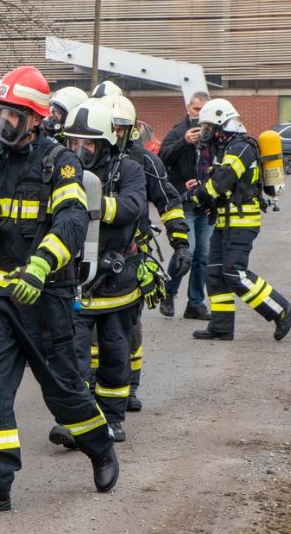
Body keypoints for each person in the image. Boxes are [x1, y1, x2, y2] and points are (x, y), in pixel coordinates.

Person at [0, 66, 118, 515]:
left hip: (46, 298)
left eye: (11, 116)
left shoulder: (60, 162)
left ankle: (101, 447)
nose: (1, 123)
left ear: (35, 120)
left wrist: (39, 267)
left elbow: (70, 222)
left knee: (65, 393)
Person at [47, 99, 148, 447]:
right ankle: (79, 420)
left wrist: (94, 203)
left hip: (115, 278)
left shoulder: (128, 170)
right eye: (73, 142)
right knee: (72, 354)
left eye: (86, 143)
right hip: (73, 277)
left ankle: (113, 418)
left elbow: (134, 206)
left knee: (115, 351)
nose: (78, 149)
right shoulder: (61, 169)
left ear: (105, 143)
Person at [110, 94, 191, 412]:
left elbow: (168, 202)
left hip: (134, 254)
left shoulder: (144, 162)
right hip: (89, 254)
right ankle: (91, 388)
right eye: (112, 127)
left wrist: (181, 242)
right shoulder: (86, 156)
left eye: (121, 128)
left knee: (129, 325)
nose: (116, 134)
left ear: (131, 129)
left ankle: (129, 386)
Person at [185, 98, 291, 342]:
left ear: (223, 125)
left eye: (209, 128)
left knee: (234, 272)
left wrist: (194, 196)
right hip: (226, 221)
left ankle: (281, 309)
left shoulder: (241, 147)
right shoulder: (227, 148)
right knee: (215, 273)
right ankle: (221, 327)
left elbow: (220, 183)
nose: (205, 133)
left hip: (242, 222)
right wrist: (201, 188)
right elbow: (218, 183)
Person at [159, 92, 213, 320]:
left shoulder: (215, 133)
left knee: (204, 254)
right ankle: (168, 293)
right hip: (184, 200)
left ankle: (195, 303)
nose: (199, 114)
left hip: (207, 201)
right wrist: (184, 142)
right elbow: (161, 158)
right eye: (196, 109)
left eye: (203, 110)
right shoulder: (178, 131)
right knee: (187, 250)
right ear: (188, 108)